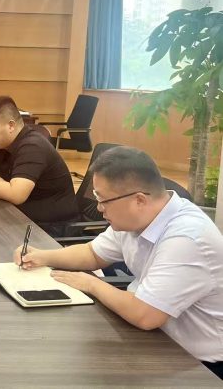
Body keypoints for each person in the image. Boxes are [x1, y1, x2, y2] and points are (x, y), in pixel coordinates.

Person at [15, 146, 223, 379]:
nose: (99, 208)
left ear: (139, 200)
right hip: (153, 336)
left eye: (103, 200)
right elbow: (93, 254)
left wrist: (91, 283)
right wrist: (42, 256)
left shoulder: (187, 238)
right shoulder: (137, 218)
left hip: (197, 364)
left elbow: (145, 315)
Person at [0, 95, 78, 235]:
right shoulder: (3, 141)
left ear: (11, 126)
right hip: (22, 216)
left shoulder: (33, 146)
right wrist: (2, 185)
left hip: (52, 228)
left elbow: (16, 195)